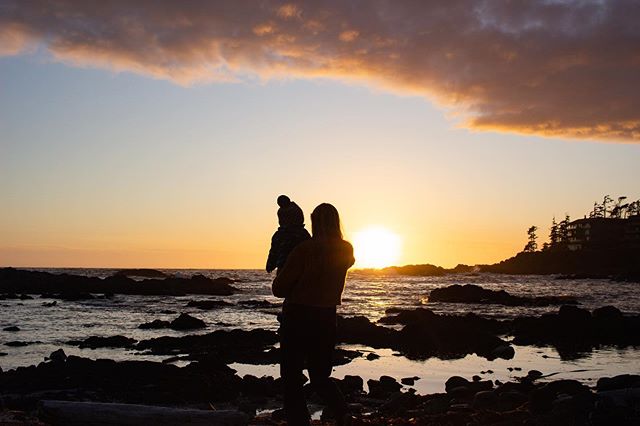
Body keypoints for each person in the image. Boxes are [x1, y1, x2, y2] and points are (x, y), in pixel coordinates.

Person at [272, 203, 355, 425]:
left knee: (291, 376)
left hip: (298, 315)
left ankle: (299, 421)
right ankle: (343, 413)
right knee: (320, 377)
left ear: (313, 221)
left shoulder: (304, 249)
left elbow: (278, 289)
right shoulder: (346, 250)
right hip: (327, 317)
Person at [266, 195, 311, 274]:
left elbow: (274, 251)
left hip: (291, 267)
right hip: (299, 268)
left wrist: (270, 264)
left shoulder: (280, 235)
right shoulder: (303, 233)